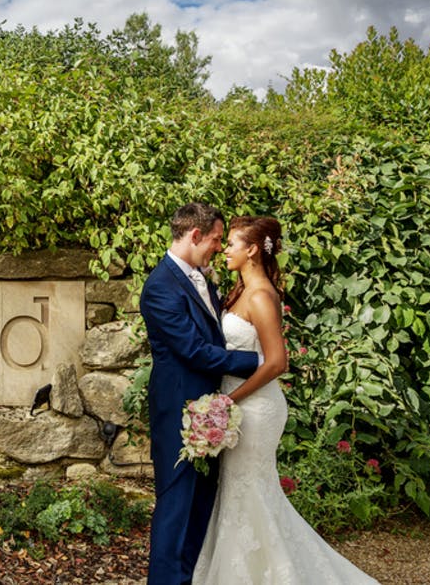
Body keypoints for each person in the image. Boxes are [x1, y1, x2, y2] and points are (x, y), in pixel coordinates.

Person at [193, 216, 380, 584]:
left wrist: (229, 401)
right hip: (238, 404)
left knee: (250, 494)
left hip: (255, 408)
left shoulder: (262, 295)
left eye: (231, 243)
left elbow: (278, 361)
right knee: (241, 494)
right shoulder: (240, 290)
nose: (225, 249)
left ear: (251, 250)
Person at [140, 203, 260, 585]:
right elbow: (193, 351)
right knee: (175, 509)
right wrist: (259, 360)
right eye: (213, 239)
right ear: (195, 236)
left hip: (210, 412)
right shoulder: (160, 287)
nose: (217, 248)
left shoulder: (201, 278)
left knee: (200, 507)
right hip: (178, 413)